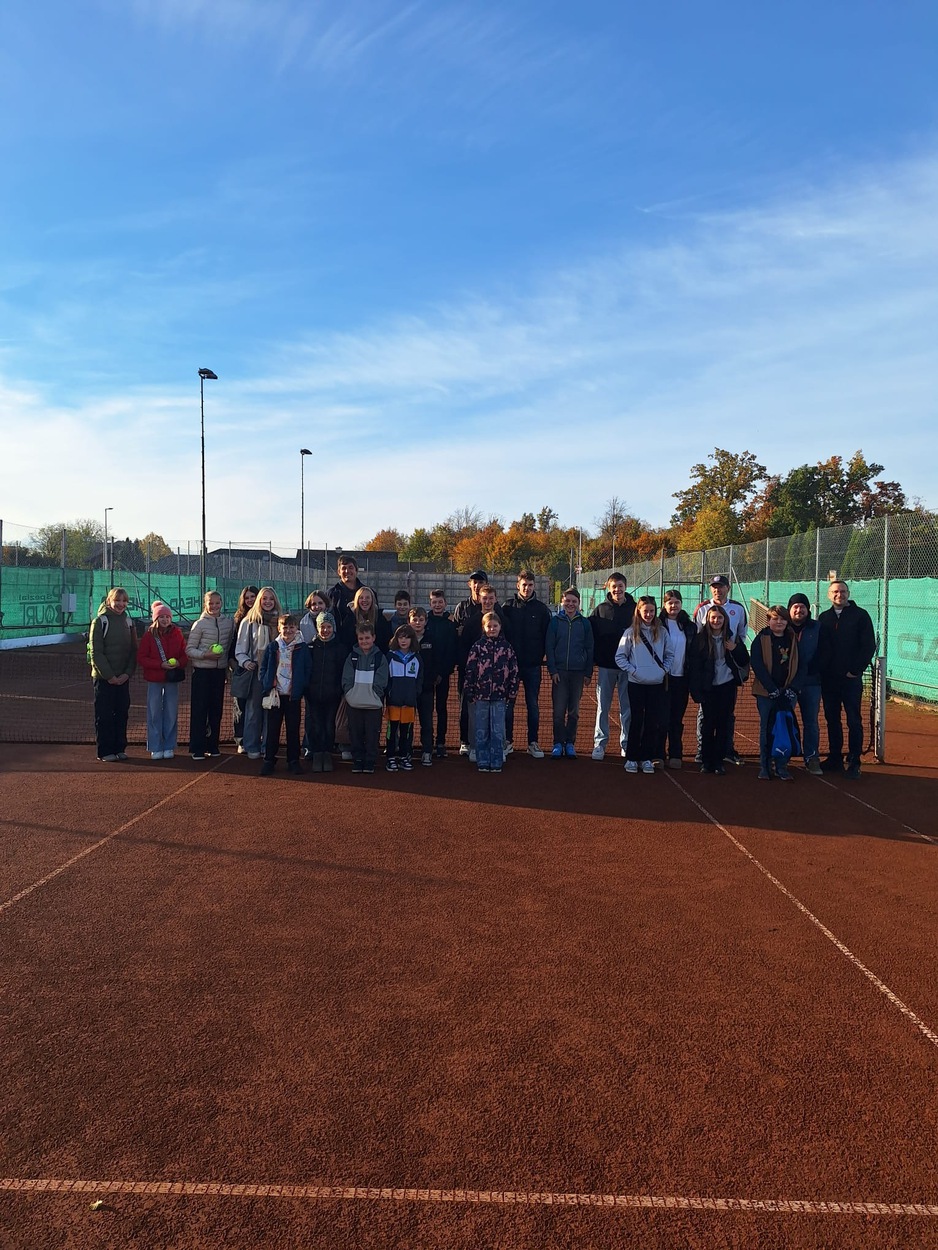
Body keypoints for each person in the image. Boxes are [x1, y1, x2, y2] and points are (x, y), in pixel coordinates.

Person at [817, 580, 876, 779]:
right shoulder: (824, 618)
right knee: (832, 719)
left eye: (842, 591)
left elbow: (868, 646)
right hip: (829, 680)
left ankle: (854, 760)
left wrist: (855, 670)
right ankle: (835, 757)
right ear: (829, 595)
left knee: (853, 720)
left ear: (848, 593)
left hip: (850, 680)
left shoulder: (860, 616)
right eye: (835, 591)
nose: (839, 594)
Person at [688, 604, 750, 775]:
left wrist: (735, 648)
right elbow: (694, 667)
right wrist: (696, 690)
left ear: (725, 620)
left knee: (723, 724)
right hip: (708, 688)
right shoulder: (700, 639)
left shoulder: (731, 638)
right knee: (708, 724)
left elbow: (744, 659)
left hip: (727, 686)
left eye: (720, 618)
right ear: (707, 619)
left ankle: (718, 761)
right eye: (713, 618)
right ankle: (706, 761)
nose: (716, 621)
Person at [615, 595, 674, 774]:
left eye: (651, 611)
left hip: (656, 684)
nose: (648, 614)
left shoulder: (662, 632)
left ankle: (646, 758)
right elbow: (620, 657)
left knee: (652, 722)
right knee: (636, 720)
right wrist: (634, 671)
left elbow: (669, 655)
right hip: (636, 684)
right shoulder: (630, 632)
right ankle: (632, 758)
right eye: (645, 610)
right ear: (639, 611)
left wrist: (662, 671)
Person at [501, 569, 551, 759]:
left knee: (533, 705)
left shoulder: (541, 609)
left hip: (532, 666)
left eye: (530, 585)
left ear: (534, 586)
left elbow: (547, 636)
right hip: (511, 667)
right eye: (524, 585)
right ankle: (508, 741)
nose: (527, 588)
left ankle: (533, 742)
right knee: (508, 705)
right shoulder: (508, 607)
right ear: (518, 585)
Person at [750, 606, 803, 781]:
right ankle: (765, 766)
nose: (778, 622)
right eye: (774, 618)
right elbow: (757, 665)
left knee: (785, 728)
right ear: (768, 621)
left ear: (787, 621)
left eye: (782, 619)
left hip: (787, 693)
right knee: (767, 729)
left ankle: (782, 765)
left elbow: (801, 665)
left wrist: (791, 689)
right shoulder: (760, 639)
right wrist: (771, 689)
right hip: (766, 694)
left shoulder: (793, 639)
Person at [589, 572, 636, 761]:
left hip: (629, 668)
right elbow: (591, 637)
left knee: (627, 708)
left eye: (620, 586)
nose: (617, 590)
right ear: (608, 588)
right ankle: (600, 744)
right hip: (606, 667)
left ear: (625, 586)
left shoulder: (635, 609)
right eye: (614, 586)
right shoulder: (600, 610)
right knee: (603, 707)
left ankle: (626, 744)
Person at [464, 610, 519, 773]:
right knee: (481, 730)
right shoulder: (477, 647)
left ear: (500, 627)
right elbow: (470, 670)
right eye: (489, 626)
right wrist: (469, 691)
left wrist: (512, 692)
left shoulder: (507, 648)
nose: (492, 629)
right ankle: (482, 760)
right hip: (481, 695)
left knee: (497, 731)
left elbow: (514, 671)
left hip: (500, 696)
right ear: (484, 627)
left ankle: (496, 760)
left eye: (495, 626)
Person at [259, 613, 312, 776]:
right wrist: (267, 684)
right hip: (275, 695)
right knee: (272, 730)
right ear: (279, 628)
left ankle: (293, 761)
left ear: (297, 629)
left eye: (292, 627)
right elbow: (263, 668)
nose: (288, 630)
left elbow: (307, 669)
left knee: (293, 729)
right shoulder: (272, 646)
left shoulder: (302, 648)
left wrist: (301, 686)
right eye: (285, 627)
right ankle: (269, 760)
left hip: (292, 696)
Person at [89, 586, 137, 762]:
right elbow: (96, 653)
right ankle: (105, 751)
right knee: (104, 715)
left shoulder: (129, 622)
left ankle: (119, 748)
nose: (121, 604)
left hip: (123, 679)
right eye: (117, 600)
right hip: (104, 680)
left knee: (122, 713)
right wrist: (110, 676)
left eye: (124, 601)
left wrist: (127, 674)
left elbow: (133, 650)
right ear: (109, 601)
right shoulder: (100, 622)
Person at [545, 586, 594, 759]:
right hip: (559, 673)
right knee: (558, 711)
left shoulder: (585, 623)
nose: (570, 604)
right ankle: (558, 743)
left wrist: (588, 672)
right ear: (562, 602)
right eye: (568, 601)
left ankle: (570, 743)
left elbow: (589, 648)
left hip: (578, 674)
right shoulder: (555, 622)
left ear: (579, 603)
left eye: (574, 601)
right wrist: (553, 670)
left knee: (574, 711)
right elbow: (549, 647)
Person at [234, 586, 283, 760]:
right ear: (259, 601)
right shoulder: (249, 621)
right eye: (264, 599)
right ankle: (251, 745)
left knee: (271, 709)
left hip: (276, 672)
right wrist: (246, 661)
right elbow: (240, 648)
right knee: (253, 710)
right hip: (256, 672)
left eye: (271, 599)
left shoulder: (280, 621)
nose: (268, 602)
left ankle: (267, 746)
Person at [186, 590, 234, 760]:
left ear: (221, 603)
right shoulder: (199, 624)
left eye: (217, 603)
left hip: (219, 673)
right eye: (210, 603)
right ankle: (197, 747)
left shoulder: (228, 623)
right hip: (201, 672)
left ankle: (213, 745)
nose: (214, 606)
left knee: (216, 710)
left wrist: (227, 670)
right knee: (200, 710)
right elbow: (189, 650)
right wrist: (205, 655)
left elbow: (228, 649)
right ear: (205, 605)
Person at [137, 602, 186, 760]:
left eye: (167, 616)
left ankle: (169, 745)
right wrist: (160, 665)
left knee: (171, 713)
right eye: (161, 617)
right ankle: (155, 746)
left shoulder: (177, 633)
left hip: (172, 680)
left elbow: (184, 655)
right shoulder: (149, 635)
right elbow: (142, 658)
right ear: (156, 619)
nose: (165, 619)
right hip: (154, 679)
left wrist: (178, 663)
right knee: (154, 713)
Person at [342, 623, 390, 774]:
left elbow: (382, 679)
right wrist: (350, 694)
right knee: (355, 732)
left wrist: (375, 694)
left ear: (374, 638)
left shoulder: (380, 657)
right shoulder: (352, 656)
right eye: (361, 638)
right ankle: (358, 760)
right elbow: (346, 679)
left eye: (367, 638)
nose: (364, 641)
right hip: (354, 704)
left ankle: (369, 761)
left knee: (372, 733)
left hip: (373, 705)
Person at [305, 610, 348, 773]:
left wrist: (339, 690)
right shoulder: (310, 647)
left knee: (330, 726)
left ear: (333, 627)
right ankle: (317, 754)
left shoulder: (340, 648)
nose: (325, 630)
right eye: (322, 627)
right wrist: (307, 690)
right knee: (315, 725)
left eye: (329, 626)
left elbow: (342, 672)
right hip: (313, 695)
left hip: (333, 696)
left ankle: (327, 753)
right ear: (317, 628)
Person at [658, 590, 697, 769]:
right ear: (664, 605)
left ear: (681, 604)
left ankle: (676, 753)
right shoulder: (657, 625)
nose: (673, 606)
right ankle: (658, 753)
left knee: (676, 718)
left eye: (676, 602)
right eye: (670, 602)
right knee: (661, 718)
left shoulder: (689, 626)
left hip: (682, 679)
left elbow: (694, 653)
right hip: (662, 679)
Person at [787, 593, 824, 775]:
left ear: (808, 610)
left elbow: (824, 652)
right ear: (789, 609)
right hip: (789, 684)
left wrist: (810, 670)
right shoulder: (783, 627)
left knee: (811, 723)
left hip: (812, 683)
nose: (799, 610)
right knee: (784, 719)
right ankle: (781, 756)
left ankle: (811, 757)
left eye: (802, 607)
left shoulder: (817, 628)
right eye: (795, 606)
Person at [453, 570, 489, 755]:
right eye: (474, 582)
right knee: (465, 705)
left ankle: (485, 741)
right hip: (467, 668)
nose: (477, 585)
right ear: (469, 585)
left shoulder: (492, 608)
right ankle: (465, 741)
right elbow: (457, 635)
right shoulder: (462, 607)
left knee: (487, 705)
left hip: (489, 671)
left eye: (480, 582)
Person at [385, 623, 423, 772]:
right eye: (401, 637)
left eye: (407, 638)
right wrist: (390, 692)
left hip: (409, 702)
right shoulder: (390, 657)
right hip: (394, 702)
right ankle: (391, 757)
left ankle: (404, 756)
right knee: (392, 731)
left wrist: (415, 692)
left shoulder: (417, 658)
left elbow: (420, 678)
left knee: (406, 732)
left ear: (412, 640)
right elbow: (386, 679)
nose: (404, 641)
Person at [425, 589, 457, 757]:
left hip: (443, 675)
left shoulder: (450, 624)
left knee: (441, 709)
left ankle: (440, 742)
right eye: (434, 602)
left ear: (445, 603)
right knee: (427, 709)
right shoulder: (425, 622)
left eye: (440, 602)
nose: (437, 605)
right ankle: (427, 741)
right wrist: (431, 673)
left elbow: (451, 651)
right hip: (427, 676)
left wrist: (443, 672)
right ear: (430, 603)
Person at [229, 585, 259, 753]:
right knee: (240, 704)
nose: (250, 600)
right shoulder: (239, 618)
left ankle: (255, 736)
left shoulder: (265, 617)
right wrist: (234, 664)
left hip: (257, 669)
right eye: (247, 597)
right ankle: (240, 739)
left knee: (256, 706)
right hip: (240, 667)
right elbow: (233, 645)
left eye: (252, 596)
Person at [408, 606, 437, 766]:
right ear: (409, 622)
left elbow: (436, 661)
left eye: (421, 620)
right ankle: (407, 749)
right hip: (409, 689)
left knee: (426, 721)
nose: (418, 623)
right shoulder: (403, 640)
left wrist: (433, 677)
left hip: (426, 688)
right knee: (408, 721)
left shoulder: (431, 639)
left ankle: (427, 750)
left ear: (425, 621)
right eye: (415, 620)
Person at [328, 555, 371, 640]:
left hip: (363, 643)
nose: (347, 571)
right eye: (344, 568)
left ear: (356, 570)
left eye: (350, 567)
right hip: (339, 643)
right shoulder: (331, 594)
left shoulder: (369, 593)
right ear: (339, 572)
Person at [340, 585, 392, 653]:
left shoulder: (380, 618)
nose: (364, 600)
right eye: (361, 598)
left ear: (372, 600)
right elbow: (345, 641)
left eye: (367, 597)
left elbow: (385, 641)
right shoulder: (350, 618)